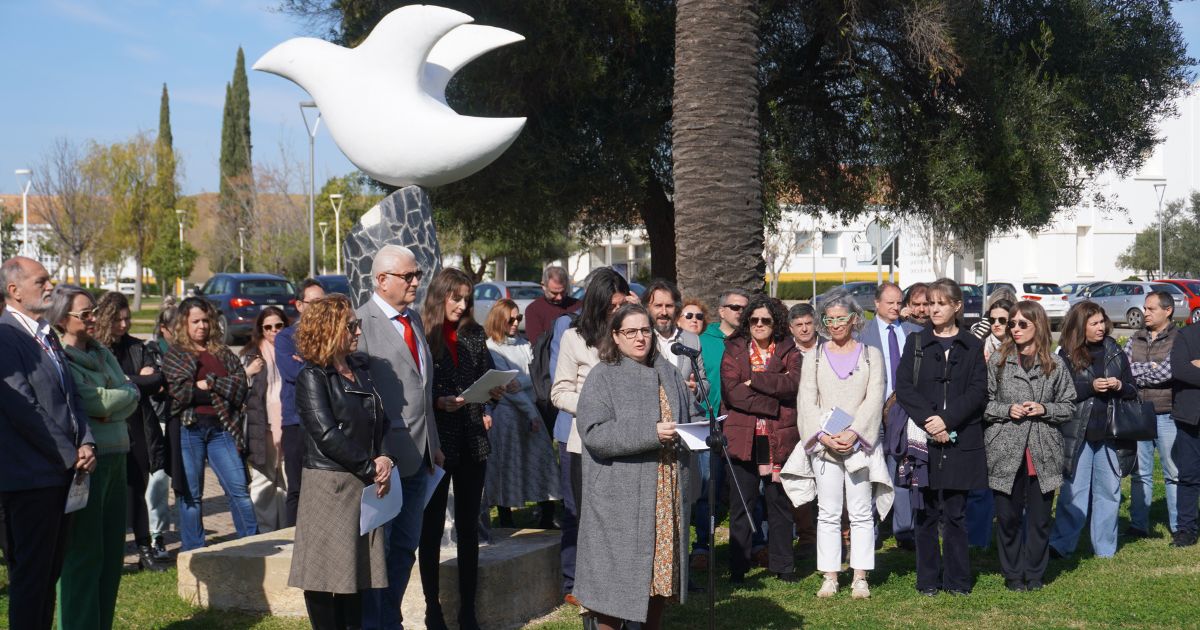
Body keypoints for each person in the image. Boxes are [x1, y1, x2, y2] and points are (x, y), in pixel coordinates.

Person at [574, 304, 698, 630]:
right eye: (630, 332)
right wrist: (650, 433)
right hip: (620, 498)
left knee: (660, 575)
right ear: (615, 336)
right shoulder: (603, 376)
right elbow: (594, 433)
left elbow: (690, 414)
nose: (640, 338)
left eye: (645, 330)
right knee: (613, 583)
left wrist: (700, 427)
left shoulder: (668, 372)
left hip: (665, 490)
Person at [0, 258, 96, 630]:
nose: (50, 286)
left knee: (49, 573)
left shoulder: (46, 333)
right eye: (41, 281)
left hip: (61, 475)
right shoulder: (6, 336)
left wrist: (86, 442)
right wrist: (70, 454)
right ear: (14, 290)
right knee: (31, 578)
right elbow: (24, 409)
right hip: (30, 479)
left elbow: (71, 396)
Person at [289, 294, 393, 630]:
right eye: (351, 325)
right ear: (330, 328)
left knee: (355, 571)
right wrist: (371, 468)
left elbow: (382, 421)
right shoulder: (313, 376)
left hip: (362, 483)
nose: (358, 331)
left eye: (357, 324)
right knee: (322, 574)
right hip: (329, 486)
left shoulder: (360, 370)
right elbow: (326, 434)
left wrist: (386, 457)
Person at [356, 245, 439, 630]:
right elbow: (361, 398)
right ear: (382, 280)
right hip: (385, 460)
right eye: (408, 276)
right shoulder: (362, 323)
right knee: (381, 550)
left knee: (406, 547)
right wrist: (377, 454)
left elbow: (422, 388)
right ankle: (376, 622)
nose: (416, 281)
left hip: (421, 455)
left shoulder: (413, 319)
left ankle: (390, 619)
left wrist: (434, 442)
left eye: (417, 274)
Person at [51, 285, 140, 629]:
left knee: (111, 555)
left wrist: (118, 399)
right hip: (88, 464)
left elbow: (128, 393)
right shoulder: (60, 357)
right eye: (85, 314)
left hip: (119, 455)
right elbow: (94, 402)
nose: (93, 319)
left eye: (94, 312)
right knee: (84, 554)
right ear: (62, 319)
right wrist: (119, 397)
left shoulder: (102, 352)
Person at [419, 268, 503, 630]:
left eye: (467, 299)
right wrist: (437, 403)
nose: (462, 305)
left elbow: (486, 379)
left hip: (472, 439)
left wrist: (492, 397)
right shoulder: (423, 335)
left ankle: (468, 610)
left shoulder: (474, 334)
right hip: (437, 442)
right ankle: (432, 608)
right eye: (456, 298)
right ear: (440, 296)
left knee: (469, 527)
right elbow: (414, 392)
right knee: (431, 528)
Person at [894, 279, 987, 596]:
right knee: (925, 511)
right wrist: (930, 421)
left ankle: (958, 580)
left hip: (961, 438)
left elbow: (978, 391)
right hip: (922, 439)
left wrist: (947, 420)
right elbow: (904, 387)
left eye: (941, 303)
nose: (933, 309)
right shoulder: (917, 342)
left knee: (956, 512)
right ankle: (928, 580)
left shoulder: (971, 345)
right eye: (931, 303)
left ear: (957, 306)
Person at [797, 288, 887, 599]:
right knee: (828, 512)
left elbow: (874, 398)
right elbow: (807, 401)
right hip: (825, 446)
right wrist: (824, 437)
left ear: (854, 319)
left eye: (841, 318)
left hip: (859, 444)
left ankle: (860, 576)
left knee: (861, 511)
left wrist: (854, 433)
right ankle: (830, 576)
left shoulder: (871, 355)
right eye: (829, 319)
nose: (835, 325)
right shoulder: (813, 356)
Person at [549, 267, 631, 605]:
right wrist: (595, 406)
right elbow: (559, 393)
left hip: (626, 440)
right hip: (584, 442)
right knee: (582, 513)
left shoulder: (632, 334)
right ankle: (579, 583)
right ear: (597, 304)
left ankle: (619, 582)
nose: (618, 310)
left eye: (622, 304)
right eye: (612, 305)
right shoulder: (574, 337)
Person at [984, 301, 1076, 591]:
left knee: (1039, 519)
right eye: (1011, 323)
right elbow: (983, 403)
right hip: (1005, 448)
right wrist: (1006, 409)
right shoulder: (998, 360)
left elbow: (1069, 405)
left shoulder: (1055, 364)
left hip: (1042, 449)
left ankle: (1035, 573)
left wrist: (1044, 408)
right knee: (1008, 517)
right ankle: (1013, 574)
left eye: (1022, 324)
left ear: (1038, 325)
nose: (1015, 329)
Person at [162, 297, 258, 551]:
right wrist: (220, 389)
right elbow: (180, 393)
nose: (202, 326)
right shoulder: (176, 354)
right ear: (184, 323)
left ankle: (253, 545)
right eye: (195, 321)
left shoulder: (222, 352)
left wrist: (209, 384)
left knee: (239, 490)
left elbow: (240, 385)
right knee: (191, 495)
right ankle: (194, 551)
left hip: (222, 429)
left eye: (205, 320)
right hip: (190, 429)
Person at [721, 294, 802, 583]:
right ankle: (738, 567)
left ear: (775, 323)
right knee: (741, 504)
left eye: (765, 320)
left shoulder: (790, 350)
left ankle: (783, 566)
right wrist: (772, 402)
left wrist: (754, 380)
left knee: (778, 503)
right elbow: (732, 392)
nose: (759, 324)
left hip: (779, 436)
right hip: (743, 435)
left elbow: (793, 384)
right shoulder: (734, 349)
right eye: (753, 319)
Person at [1048, 302, 1136, 559]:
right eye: (1094, 323)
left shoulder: (1115, 351)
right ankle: (1062, 544)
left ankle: (1105, 549)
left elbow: (1133, 389)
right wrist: (1090, 387)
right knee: (1073, 492)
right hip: (1078, 433)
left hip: (1110, 433)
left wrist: (1120, 386)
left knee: (1109, 491)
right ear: (1080, 326)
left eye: (1102, 322)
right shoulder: (1065, 354)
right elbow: (1058, 393)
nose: (1101, 328)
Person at [93, 291, 168, 572]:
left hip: (138, 427)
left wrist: (127, 381)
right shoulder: (96, 350)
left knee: (138, 489)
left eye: (127, 319)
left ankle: (145, 550)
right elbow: (102, 387)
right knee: (106, 495)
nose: (124, 325)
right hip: (107, 428)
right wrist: (138, 381)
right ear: (105, 319)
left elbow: (157, 381)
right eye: (117, 320)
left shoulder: (137, 347)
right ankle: (106, 551)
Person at [483, 298, 559, 530]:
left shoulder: (524, 345)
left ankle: (547, 512)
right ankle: (506, 517)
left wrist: (523, 384)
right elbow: (506, 387)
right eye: (511, 319)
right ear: (499, 320)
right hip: (507, 415)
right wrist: (529, 411)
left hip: (530, 410)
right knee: (507, 464)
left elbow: (533, 377)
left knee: (542, 461)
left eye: (519, 318)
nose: (516, 323)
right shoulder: (492, 348)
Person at [860, 281, 921, 550]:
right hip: (873, 414)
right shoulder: (862, 334)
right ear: (876, 303)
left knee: (903, 471)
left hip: (906, 414)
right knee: (872, 472)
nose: (896, 307)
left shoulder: (914, 332)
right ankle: (869, 530)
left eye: (899, 302)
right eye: (890, 302)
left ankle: (904, 530)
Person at [693, 288, 749, 569]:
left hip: (742, 422)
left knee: (747, 485)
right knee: (708, 486)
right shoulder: (703, 340)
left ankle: (755, 543)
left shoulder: (751, 339)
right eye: (735, 307)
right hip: (710, 421)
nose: (741, 312)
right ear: (722, 311)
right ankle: (702, 545)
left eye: (744, 308)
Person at [1125, 291, 1179, 539]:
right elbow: (1125, 370)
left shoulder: (1178, 339)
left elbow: (1168, 372)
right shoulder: (1135, 338)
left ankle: (1179, 526)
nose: (1145, 313)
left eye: (1151, 309)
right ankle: (1138, 525)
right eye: (1145, 308)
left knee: (1174, 473)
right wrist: (1151, 367)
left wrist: (1140, 372)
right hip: (1139, 413)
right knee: (1140, 474)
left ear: (1167, 310)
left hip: (1168, 414)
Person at [277, 278, 327, 528]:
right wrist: (319, 364)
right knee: (297, 487)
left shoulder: (331, 335)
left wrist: (307, 361)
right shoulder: (286, 338)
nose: (321, 308)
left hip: (325, 421)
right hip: (296, 422)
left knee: (323, 487)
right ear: (299, 305)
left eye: (324, 302)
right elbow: (294, 373)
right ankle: (293, 539)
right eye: (315, 302)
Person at [966, 297, 1013, 549]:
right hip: (982, 419)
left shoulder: (1020, 348)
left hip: (1011, 422)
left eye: (1002, 320)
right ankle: (977, 541)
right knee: (980, 485)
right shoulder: (979, 346)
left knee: (1010, 485)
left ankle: (1011, 538)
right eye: (992, 319)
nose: (996, 324)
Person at [241, 306, 290, 532]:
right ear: (261, 330)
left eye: (278, 326)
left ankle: (287, 529)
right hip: (262, 426)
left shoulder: (293, 349)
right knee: (264, 480)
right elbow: (238, 386)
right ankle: (265, 532)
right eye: (268, 327)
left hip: (289, 424)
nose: (274, 331)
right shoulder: (252, 354)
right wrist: (247, 372)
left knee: (287, 479)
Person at [145, 304, 177, 560]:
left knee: (174, 481)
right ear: (164, 328)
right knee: (157, 481)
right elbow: (155, 386)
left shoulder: (190, 350)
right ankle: (155, 535)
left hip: (180, 420)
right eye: (176, 327)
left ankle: (162, 532)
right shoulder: (152, 350)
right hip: (157, 421)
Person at [1170, 309, 1200, 547]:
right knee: (1188, 476)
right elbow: (1181, 369)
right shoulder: (1187, 335)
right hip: (1191, 418)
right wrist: (1191, 367)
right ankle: (1186, 529)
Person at [524, 265, 581, 344]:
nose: (559, 297)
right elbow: (538, 344)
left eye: (563, 292)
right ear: (543, 286)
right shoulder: (533, 310)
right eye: (554, 293)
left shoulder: (578, 306)